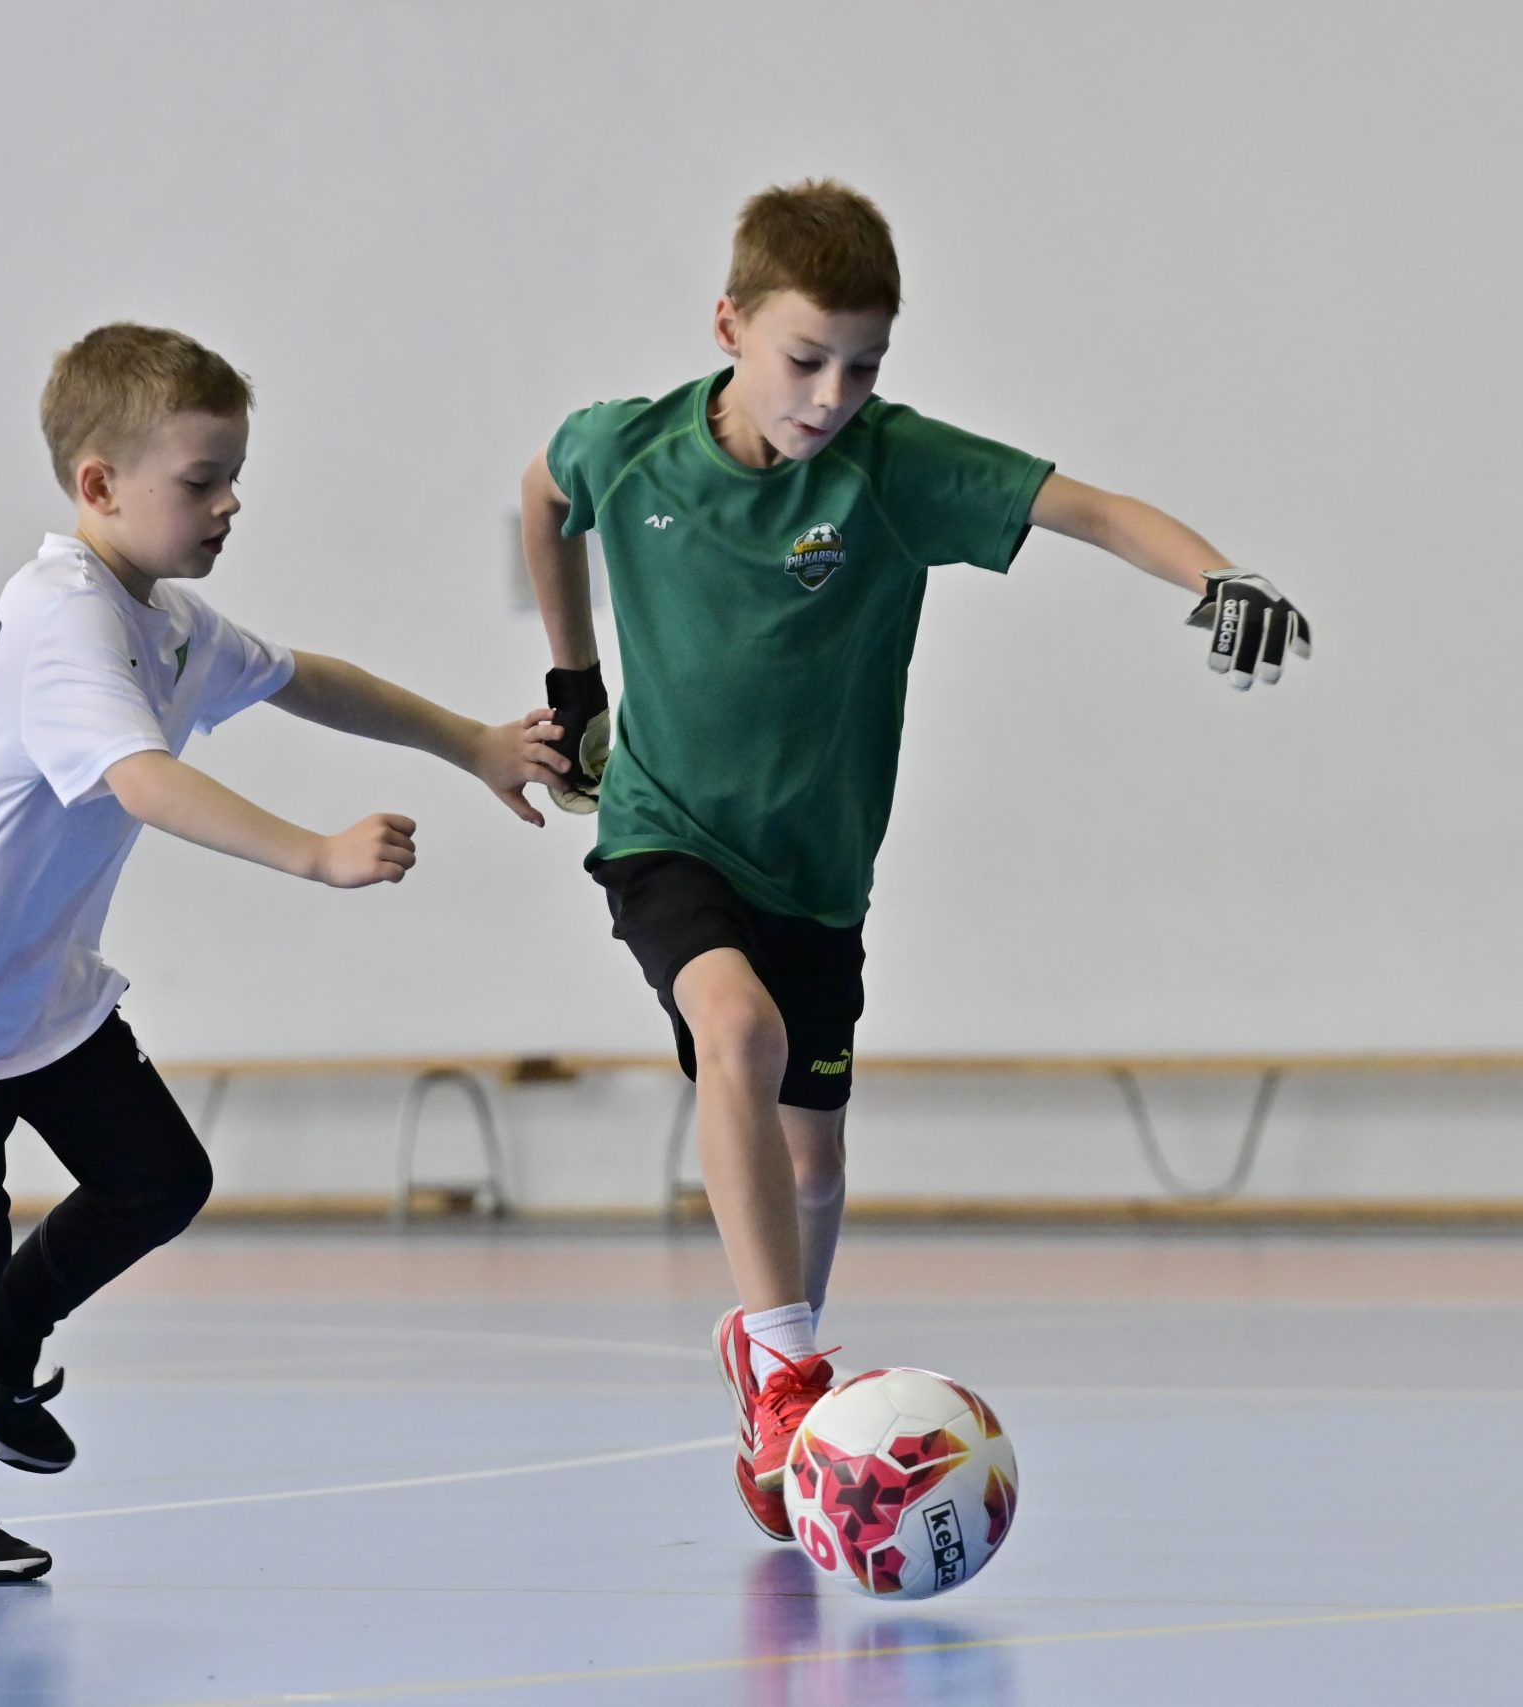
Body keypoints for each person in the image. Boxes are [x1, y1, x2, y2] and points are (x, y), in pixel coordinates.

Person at [519, 180, 1312, 1538]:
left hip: (819, 869)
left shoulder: (888, 470)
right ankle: (785, 1369)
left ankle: (775, 1385)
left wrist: (1218, 576)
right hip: (665, 828)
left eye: (863, 365)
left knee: (817, 1168)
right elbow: (543, 495)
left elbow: (1093, 509)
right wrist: (574, 679)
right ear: (729, 325)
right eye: (804, 358)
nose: (831, 395)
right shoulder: (630, 450)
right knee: (736, 1028)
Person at [0, 322, 569, 1581]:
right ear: (100, 483)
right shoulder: (60, 614)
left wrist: (472, 744)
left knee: (156, 1179)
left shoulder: (158, 616)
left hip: (32, 994)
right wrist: (314, 853)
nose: (228, 504)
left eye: (233, 477)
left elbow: (304, 678)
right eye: (202, 480)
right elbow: (143, 779)